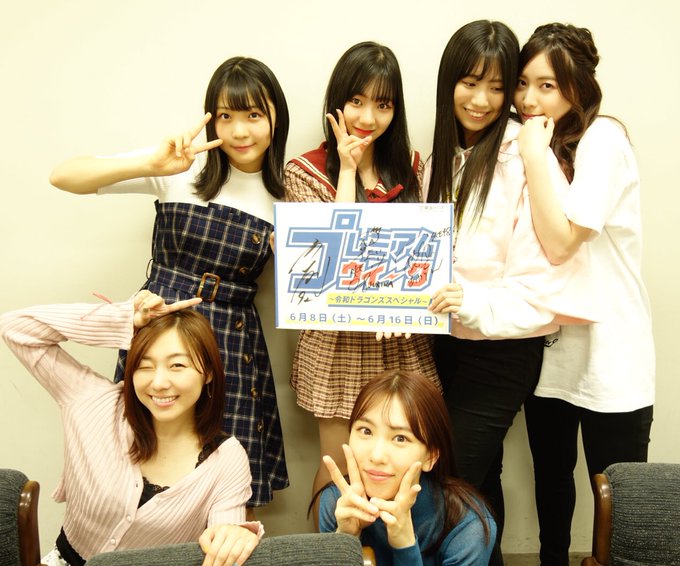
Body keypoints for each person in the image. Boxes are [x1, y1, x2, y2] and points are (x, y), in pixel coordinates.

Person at [49, 57, 290, 508]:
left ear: (276, 117)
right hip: (159, 327)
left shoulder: (286, 195)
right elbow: (64, 176)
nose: (239, 131)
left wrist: (291, 257)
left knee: (223, 482)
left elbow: (316, 288)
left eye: (254, 115)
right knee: (140, 464)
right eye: (226, 116)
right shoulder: (182, 168)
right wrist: (152, 162)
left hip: (231, 344)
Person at [425, 20, 593, 565]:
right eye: (470, 83)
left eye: (497, 87)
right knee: (480, 483)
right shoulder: (440, 157)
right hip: (445, 343)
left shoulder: (526, 156)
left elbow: (543, 283)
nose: (482, 100)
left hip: (502, 351)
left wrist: (472, 303)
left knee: (450, 479)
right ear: (449, 82)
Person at [514, 23, 654, 565]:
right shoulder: (540, 143)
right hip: (550, 350)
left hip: (611, 354)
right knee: (551, 487)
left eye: (546, 85)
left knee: (621, 501)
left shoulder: (604, 140)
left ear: (577, 86)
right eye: (523, 83)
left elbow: (562, 242)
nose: (529, 99)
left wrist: (532, 154)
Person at [283, 41, 440, 522]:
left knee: (400, 470)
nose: (368, 117)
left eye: (383, 104)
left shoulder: (412, 165)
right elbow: (331, 263)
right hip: (338, 345)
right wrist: (348, 171)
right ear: (337, 101)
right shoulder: (305, 171)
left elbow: (425, 254)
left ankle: (394, 550)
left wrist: (405, 306)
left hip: (400, 340)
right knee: (341, 470)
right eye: (356, 101)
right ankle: (330, 554)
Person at [0, 290, 263, 566]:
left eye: (177, 365)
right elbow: (16, 328)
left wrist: (235, 537)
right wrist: (124, 318)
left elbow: (223, 545)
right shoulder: (94, 401)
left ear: (208, 372)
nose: (159, 383)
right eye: (145, 366)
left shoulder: (227, 460)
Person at [320, 370, 496, 566]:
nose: (377, 456)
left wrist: (404, 545)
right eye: (366, 431)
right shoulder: (338, 503)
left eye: (400, 438)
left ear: (431, 456)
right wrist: (345, 539)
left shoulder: (467, 526)